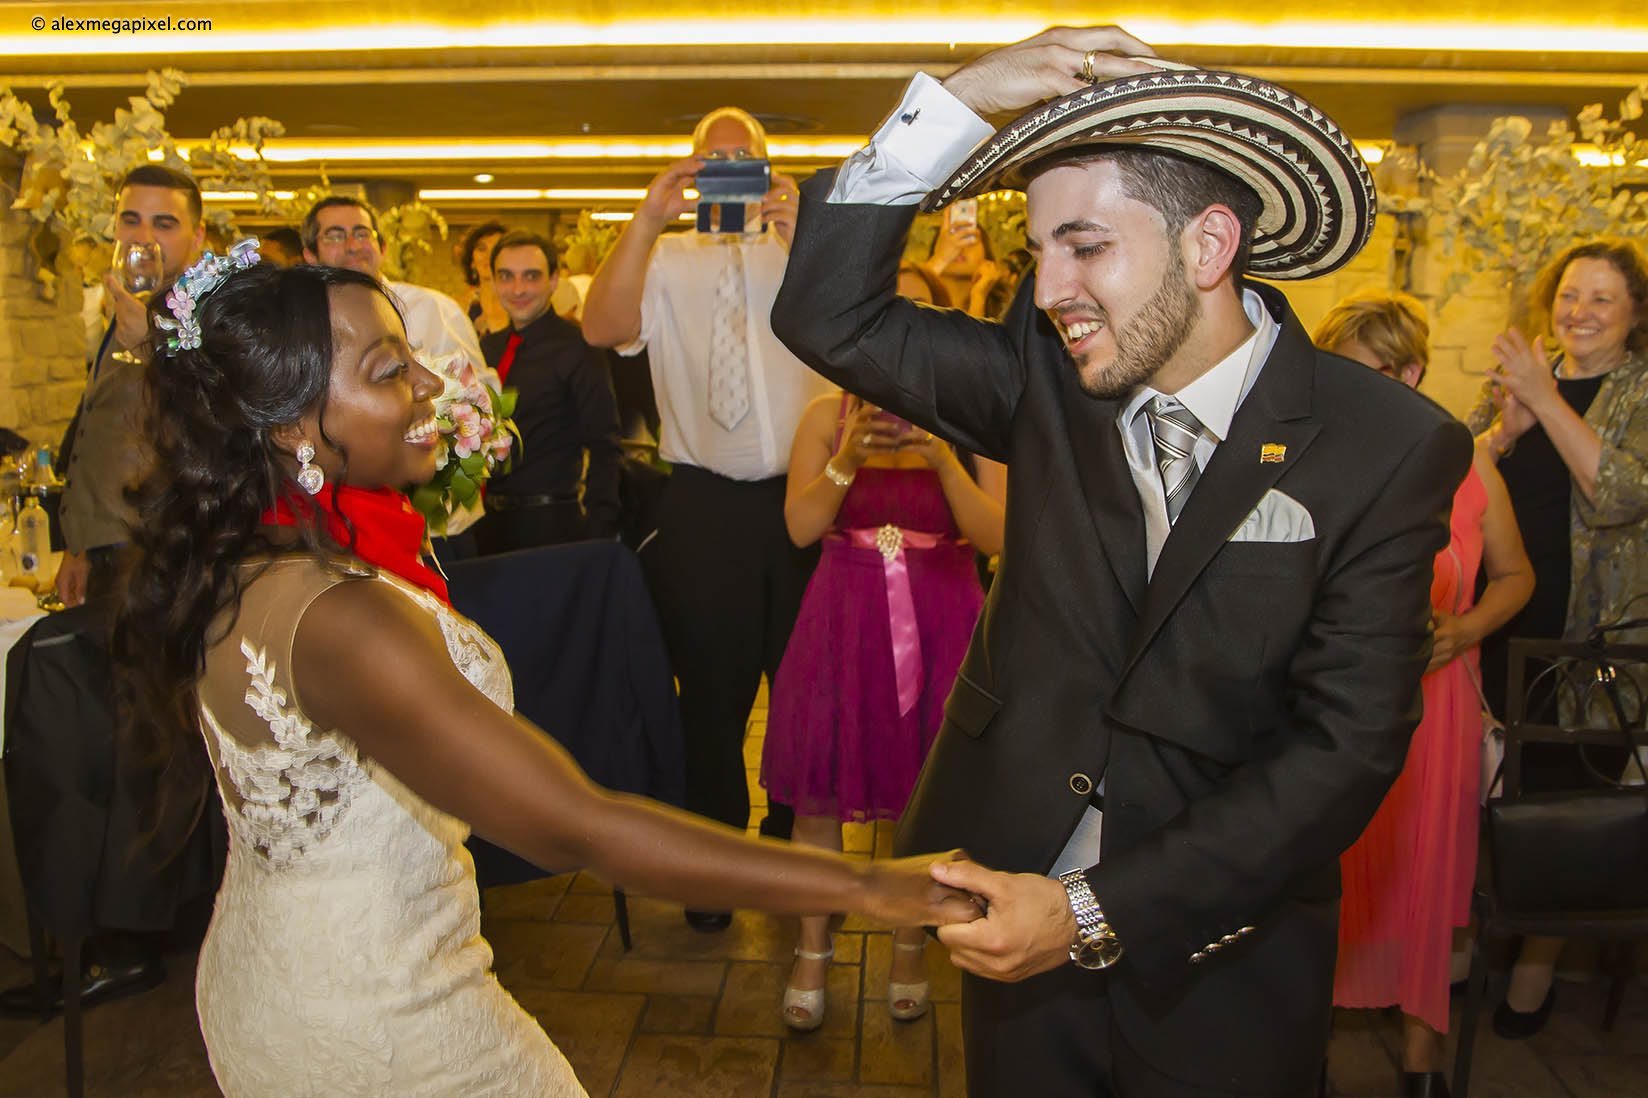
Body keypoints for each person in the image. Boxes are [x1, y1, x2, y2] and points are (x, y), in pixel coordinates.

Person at [770, 26, 1474, 1098]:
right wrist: (960, 98)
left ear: (1208, 245)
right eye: (1038, 252)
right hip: (1015, 936)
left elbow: (1345, 746)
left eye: (1086, 247)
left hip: (1220, 962)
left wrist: (1091, 911)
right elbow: (827, 311)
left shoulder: (1384, 445)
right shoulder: (1043, 383)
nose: (1051, 288)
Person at [108, 253, 982, 1098]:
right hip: (376, 1018)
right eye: (390, 370)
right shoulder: (344, 619)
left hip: (268, 967)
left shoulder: (242, 562)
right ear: (292, 429)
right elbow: (579, 826)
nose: (430, 383)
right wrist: (871, 885)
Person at [582, 107, 835, 929]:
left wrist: (808, 237)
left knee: (802, 689)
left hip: (802, 501)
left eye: (742, 159)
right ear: (693, 174)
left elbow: (857, 330)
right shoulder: (664, 260)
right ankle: (713, 867)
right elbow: (601, 326)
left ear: (766, 167)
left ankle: (794, 856)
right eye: (712, 161)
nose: (729, 171)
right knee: (710, 697)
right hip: (701, 503)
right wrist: (648, 217)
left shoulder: (802, 255)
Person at [763, 265, 1007, 1031]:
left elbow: (998, 536)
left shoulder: (975, 419)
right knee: (817, 791)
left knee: (923, 795)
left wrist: (941, 458)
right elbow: (800, 527)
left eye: (917, 316)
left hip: (943, 617)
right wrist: (846, 458)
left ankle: (909, 947)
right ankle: (812, 950)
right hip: (842, 615)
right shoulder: (824, 415)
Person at [2, 164, 208, 1019]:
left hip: (165, 558)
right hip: (114, 554)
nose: (143, 237)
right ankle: (106, 929)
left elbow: (200, 427)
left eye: (164, 223)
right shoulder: (120, 313)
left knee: (146, 748)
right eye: (131, 219)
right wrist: (82, 543)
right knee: (113, 737)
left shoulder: (199, 319)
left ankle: (134, 941)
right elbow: (101, 433)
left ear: (197, 236)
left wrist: (147, 339)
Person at [1315, 292, 1533, 1098]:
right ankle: (1306, 1057)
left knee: (1424, 884)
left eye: (1360, 371)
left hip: (1436, 711)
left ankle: (1421, 1067)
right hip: (1337, 706)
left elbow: (1517, 576)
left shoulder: (1466, 465)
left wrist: (1467, 629)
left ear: (1407, 374)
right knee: (1330, 877)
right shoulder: (1314, 459)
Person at [1468, 238, 1648, 1038]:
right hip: (1499, 625)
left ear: (1635, 314)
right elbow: (1455, 476)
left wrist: (1548, 401)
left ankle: (1533, 973)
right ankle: (1475, 948)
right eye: (1571, 294)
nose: (1580, 311)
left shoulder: (1640, 390)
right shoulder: (1520, 378)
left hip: (1590, 650)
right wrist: (1505, 431)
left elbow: (1621, 496)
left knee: (1568, 805)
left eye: (1603, 298)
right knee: (1487, 797)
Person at [301, 196, 491, 559]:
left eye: (362, 233)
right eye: (335, 235)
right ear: (310, 254)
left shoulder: (433, 309)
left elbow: (482, 403)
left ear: (383, 247)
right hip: (339, 527)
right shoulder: (302, 330)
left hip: (440, 527)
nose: (352, 245)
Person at [478, 230, 623, 549]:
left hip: (552, 525)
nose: (518, 289)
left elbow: (605, 445)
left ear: (554, 280)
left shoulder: (580, 347)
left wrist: (600, 531)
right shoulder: (487, 349)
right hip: (487, 525)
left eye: (531, 276)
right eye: (506, 276)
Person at [460, 220, 510, 338]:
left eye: (497, 249)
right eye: (482, 249)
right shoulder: (460, 308)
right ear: (472, 261)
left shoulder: (522, 306)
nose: (489, 255)